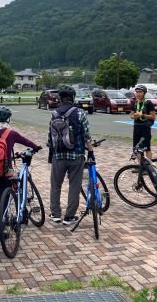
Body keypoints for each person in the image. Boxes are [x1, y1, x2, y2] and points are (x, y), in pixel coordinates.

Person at [0, 106, 41, 242]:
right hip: (5, 173)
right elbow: (26, 141)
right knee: (3, 203)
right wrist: (36, 147)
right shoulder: (11, 133)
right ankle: (0, 232)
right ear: (8, 119)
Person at [48, 85, 93, 225]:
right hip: (76, 155)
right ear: (73, 98)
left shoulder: (54, 113)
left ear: (60, 99)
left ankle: (55, 214)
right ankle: (69, 217)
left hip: (58, 156)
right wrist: (91, 151)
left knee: (56, 185)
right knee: (74, 185)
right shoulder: (80, 113)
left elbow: (50, 138)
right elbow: (87, 136)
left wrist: (51, 155)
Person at [130, 84, 156, 159]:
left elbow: (153, 117)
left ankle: (148, 168)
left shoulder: (148, 103)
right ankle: (140, 166)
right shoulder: (134, 103)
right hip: (137, 127)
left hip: (145, 127)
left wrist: (142, 115)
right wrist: (134, 116)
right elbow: (131, 116)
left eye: (140, 92)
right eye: (137, 92)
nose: (138, 94)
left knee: (147, 148)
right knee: (137, 148)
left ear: (144, 93)